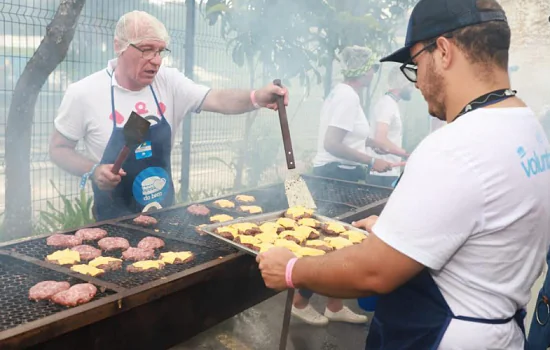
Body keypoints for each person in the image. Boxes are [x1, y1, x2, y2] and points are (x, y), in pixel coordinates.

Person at [256, 0, 550, 349]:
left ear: (443, 51)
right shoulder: (528, 128)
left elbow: (374, 272)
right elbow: (485, 227)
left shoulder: (457, 145)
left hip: (440, 338)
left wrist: (292, 269)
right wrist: (396, 233)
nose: (417, 82)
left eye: (415, 64)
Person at [49, 11, 288, 221]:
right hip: (111, 223)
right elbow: (59, 149)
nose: (156, 60)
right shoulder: (84, 93)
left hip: (165, 217)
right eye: (146, 50)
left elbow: (216, 98)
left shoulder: (168, 82)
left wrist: (258, 96)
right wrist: (94, 170)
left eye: (160, 51)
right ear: (118, 46)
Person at [311, 46, 396, 183]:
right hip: (336, 175)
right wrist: (372, 161)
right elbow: (331, 143)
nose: (373, 74)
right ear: (362, 71)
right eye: (372, 68)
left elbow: (346, 133)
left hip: (334, 173)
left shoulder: (340, 91)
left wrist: (372, 143)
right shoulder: (348, 96)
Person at [366, 66, 412, 187]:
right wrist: (406, 154)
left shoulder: (391, 104)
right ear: (402, 84)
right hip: (381, 176)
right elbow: (380, 139)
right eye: (410, 85)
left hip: (388, 172)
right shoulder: (387, 104)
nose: (413, 88)